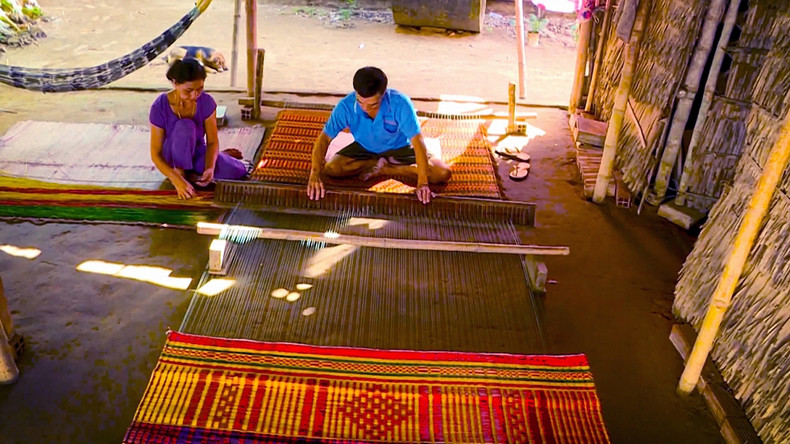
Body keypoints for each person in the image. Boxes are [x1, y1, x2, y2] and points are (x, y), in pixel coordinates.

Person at [307, 66, 451, 204]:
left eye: (373, 105)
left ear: (383, 94)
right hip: (365, 147)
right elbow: (324, 138)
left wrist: (423, 183)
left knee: (442, 173)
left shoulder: (400, 103)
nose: (365, 108)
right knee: (331, 168)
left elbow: (418, 142)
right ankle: (375, 164)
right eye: (360, 102)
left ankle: (388, 168)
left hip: (400, 146)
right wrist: (314, 174)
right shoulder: (345, 106)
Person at [149, 58, 247, 199]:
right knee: (185, 126)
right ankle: (181, 172)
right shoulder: (160, 107)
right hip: (171, 157)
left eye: (199, 89)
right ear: (175, 83)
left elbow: (212, 141)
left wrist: (209, 168)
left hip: (196, 151)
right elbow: (155, 154)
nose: (195, 95)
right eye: (188, 90)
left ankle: (205, 166)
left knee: (237, 171)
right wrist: (177, 180)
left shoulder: (206, 102)